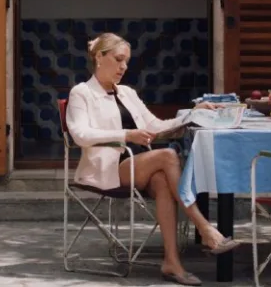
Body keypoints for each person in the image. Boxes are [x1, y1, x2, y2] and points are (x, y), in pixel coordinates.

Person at [65, 32, 240, 286]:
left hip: (139, 164)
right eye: (118, 59)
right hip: (107, 169)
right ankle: (204, 228)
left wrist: (192, 114)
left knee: (162, 181)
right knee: (168, 155)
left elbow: (155, 126)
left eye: (127, 62)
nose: (124, 67)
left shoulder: (127, 93)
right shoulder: (81, 93)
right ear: (99, 57)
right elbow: (80, 134)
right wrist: (127, 134)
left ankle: (172, 263)